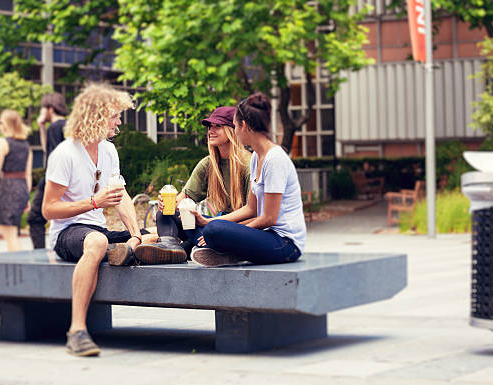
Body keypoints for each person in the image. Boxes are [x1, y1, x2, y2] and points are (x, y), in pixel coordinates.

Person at [42, 83, 142, 357]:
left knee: (156, 235)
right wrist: (94, 202)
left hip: (95, 230)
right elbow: (48, 210)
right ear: (96, 115)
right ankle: (77, 331)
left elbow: (121, 196)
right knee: (97, 242)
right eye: (114, 115)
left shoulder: (109, 151)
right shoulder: (65, 154)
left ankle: (128, 248)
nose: (119, 121)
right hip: (67, 233)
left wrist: (136, 234)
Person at [190, 93, 306, 267]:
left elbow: (269, 219)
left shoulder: (274, 159)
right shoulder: (256, 157)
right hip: (265, 235)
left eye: (235, 126)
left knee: (215, 231)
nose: (235, 132)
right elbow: (251, 209)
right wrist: (208, 221)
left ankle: (225, 250)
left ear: (243, 126)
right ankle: (229, 253)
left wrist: (230, 233)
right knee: (205, 226)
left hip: (285, 243)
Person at [134, 106, 251, 264]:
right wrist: (166, 204)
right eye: (210, 127)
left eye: (218, 126)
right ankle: (171, 248)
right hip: (213, 225)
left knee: (210, 232)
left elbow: (254, 213)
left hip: (241, 229)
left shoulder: (248, 164)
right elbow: (182, 201)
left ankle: (185, 249)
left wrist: (214, 228)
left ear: (232, 130)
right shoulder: (208, 164)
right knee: (165, 214)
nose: (211, 131)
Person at [0, 109, 32, 252]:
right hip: (21, 189)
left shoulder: (2, 143)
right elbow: (28, 175)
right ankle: (18, 266)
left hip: (8, 188)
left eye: (1, 122)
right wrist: (26, 197)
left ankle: (18, 268)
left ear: (7, 124)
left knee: (9, 233)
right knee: (13, 232)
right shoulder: (26, 146)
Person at [27, 93, 68, 249]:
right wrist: (41, 127)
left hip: (53, 178)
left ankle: (40, 254)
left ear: (50, 109)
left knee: (35, 218)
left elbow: (50, 156)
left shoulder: (55, 127)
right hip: (66, 178)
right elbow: (48, 151)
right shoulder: (66, 125)